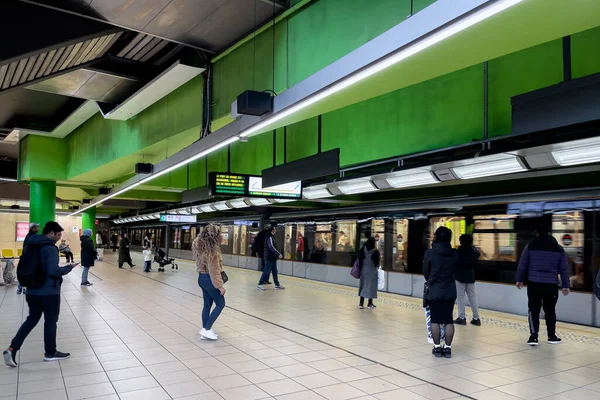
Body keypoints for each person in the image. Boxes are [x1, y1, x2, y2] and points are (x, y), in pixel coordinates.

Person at [3, 222, 75, 367]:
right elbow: (53, 271)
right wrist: (69, 267)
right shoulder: (50, 248)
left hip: (31, 290)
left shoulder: (31, 244)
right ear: (51, 233)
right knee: (50, 321)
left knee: (31, 320)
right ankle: (50, 353)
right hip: (49, 292)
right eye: (58, 234)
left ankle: (12, 348)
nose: (59, 237)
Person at [516, 225, 570, 346]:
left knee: (533, 310)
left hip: (534, 284)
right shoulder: (559, 249)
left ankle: (533, 337)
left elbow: (522, 265)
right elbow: (564, 269)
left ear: (537, 233)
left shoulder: (530, 246)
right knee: (550, 311)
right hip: (551, 285)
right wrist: (566, 285)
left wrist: (519, 279)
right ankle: (552, 336)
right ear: (550, 233)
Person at [423, 226, 458, 359]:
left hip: (435, 291)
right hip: (450, 290)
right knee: (448, 319)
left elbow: (426, 272)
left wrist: (432, 280)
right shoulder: (455, 253)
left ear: (436, 237)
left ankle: (437, 348)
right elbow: (456, 270)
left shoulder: (429, 253)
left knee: (435, 319)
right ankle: (448, 349)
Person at [193, 225, 226, 340]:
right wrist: (220, 286)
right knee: (221, 304)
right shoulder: (212, 251)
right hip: (210, 280)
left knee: (207, 305)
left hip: (201, 278)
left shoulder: (200, 246)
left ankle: (205, 332)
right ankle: (206, 329)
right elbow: (214, 270)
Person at [454, 234, 481, 326]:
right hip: (470, 276)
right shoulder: (474, 250)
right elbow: (478, 256)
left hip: (460, 276)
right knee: (472, 297)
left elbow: (456, 261)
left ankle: (461, 317)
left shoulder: (459, 250)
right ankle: (476, 318)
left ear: (461, 241)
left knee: (460, 296)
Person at [257, 225, 285, 291]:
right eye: (275, 229)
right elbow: (271, 247)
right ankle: (260, 284)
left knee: (275, 271)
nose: (276, 230)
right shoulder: (269, 237)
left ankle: (277, 285)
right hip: (269, 258)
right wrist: (278, 254)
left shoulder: (272, 237)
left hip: (272, 258)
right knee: (266, 272)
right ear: (272, 230)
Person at [17, 223, 39, 294]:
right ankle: (25, 288)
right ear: (33, 228)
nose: (38, 229)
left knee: (24, 272)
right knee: (29, 272)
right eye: (37, 227)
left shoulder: (28, 235)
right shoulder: (33, 236)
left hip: (26, 257)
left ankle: (20, 288)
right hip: (30, 257)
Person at [358, 237, 380, 309]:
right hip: (372, 271)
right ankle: (370, 303)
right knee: (371, 286)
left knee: (363, 285)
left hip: (363, 270)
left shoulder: (362, 249)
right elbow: (377, 263)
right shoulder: (375, 251)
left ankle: (361, 303)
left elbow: (359, 260)